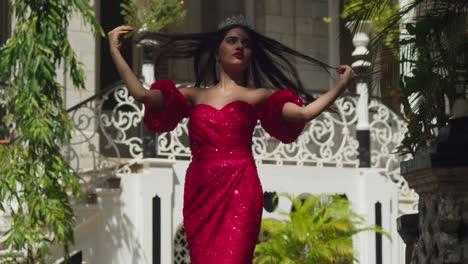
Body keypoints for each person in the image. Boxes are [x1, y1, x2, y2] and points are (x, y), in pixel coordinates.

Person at [108, 15, 355, 264]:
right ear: (218, 49)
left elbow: (303, 113)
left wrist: (341, 86)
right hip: (201, 190)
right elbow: (142, 95)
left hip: (241, 187)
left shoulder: (259, 95)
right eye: (232, 40)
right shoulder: (195, 95)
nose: (240, 47)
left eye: (246, 44)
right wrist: (115, 51)